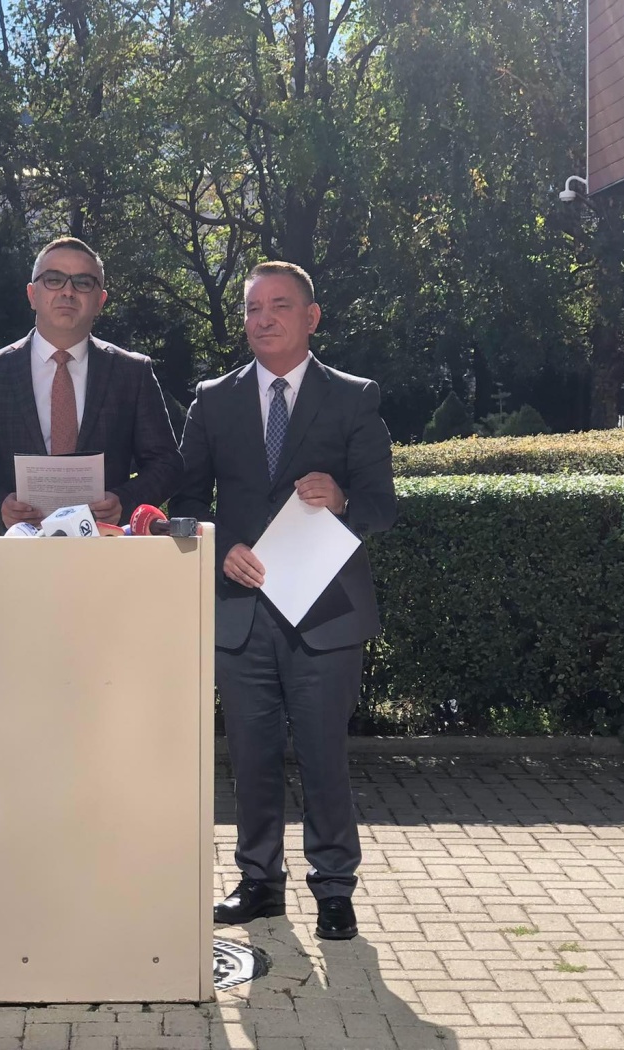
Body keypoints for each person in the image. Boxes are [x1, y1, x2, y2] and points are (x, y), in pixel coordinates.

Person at [170, 260, 396, 940]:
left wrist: (344, 498)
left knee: (325, 754)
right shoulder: (212, 400)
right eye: (252, 308)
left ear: (311, 316)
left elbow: (383, 505)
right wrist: (216, 544)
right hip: (240, 610)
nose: (262, 319)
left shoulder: (353, 397)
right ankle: (259, 883)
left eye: (279, 305)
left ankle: (334, 887)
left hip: (325, 613)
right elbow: (185, 501)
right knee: (251, 755)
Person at [0, 237, 182, 531]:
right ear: (32, 295)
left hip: (108, 547)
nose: (68, 291)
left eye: (83, 283)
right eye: (54, 280)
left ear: (100, 301)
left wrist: (124, 502)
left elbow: (167, 464)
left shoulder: (132, 373)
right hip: (19, 550)